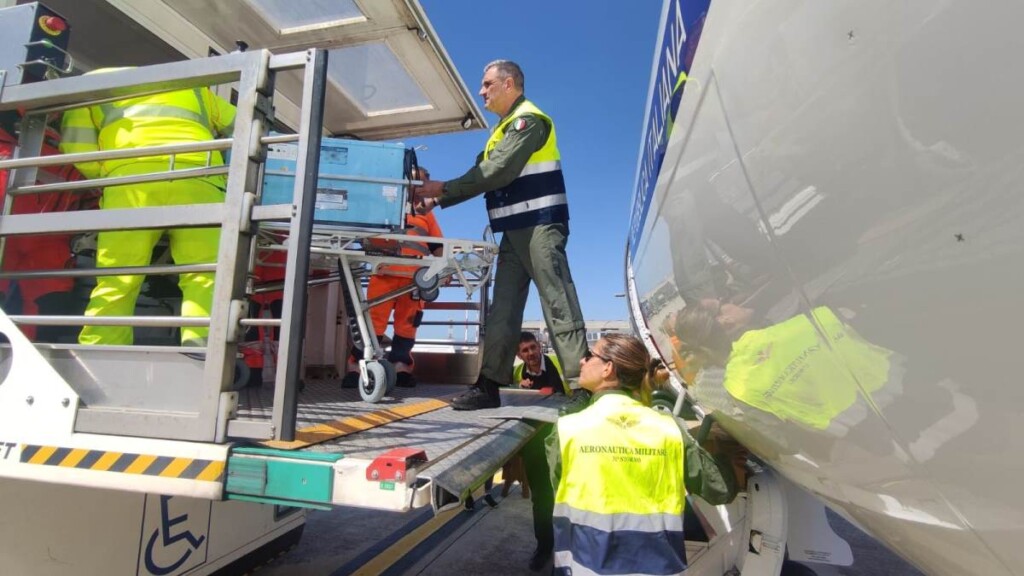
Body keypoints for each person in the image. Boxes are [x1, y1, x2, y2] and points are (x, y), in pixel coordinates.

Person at [414, 60, 589, 412]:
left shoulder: (529, 121)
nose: (481, 91)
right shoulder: (503, 129)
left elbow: (497, 171)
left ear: (509, 84)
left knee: (557, 300)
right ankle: (489, 384)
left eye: (487, 84)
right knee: (502, 310)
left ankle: (581, 387)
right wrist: (434, 198)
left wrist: (441, 189)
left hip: (540, 224)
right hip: (514, 232)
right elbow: (480, 172)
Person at [60, 78, 235, 345]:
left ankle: (103, 347)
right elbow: (241, 121)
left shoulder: (90, 85)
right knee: (203, 272)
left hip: (130, 184)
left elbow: (77, 149)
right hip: (201, 177)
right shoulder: (194, 87)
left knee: (118, 276)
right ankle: (202, 344)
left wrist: (108, 177)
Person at [546, 333, 688, 575]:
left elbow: (559, 486)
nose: (582, 362)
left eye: (590, 356)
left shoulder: (567, 429)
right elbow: (719, 488)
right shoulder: (670, 430)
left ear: (608, 369)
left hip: (586, 567)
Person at [343, 166, 444, 389]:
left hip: (414, 282)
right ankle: (357, 368)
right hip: (384, 275)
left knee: (407, 327)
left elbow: (439, 246)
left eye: (425, 185)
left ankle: (401, 369)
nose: (422, 189)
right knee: (370, 326)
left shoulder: (427, 217)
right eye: (419, 183)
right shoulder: (384, 207)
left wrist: (441, 272)